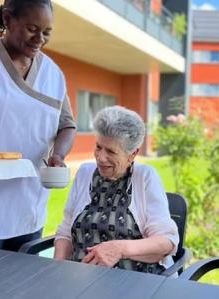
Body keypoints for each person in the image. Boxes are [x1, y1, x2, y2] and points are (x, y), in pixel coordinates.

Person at [0, 0, 76, 251]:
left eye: (47, 32)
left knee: (19, 287)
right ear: (8, 19)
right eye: (32, 28)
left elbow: (67, 126)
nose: (39, 38)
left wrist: (59, 155)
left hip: (28, 206)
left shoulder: (53, 74)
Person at [54, 106, 179, 275]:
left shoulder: (145, 177)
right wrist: (57, 270)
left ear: (132, 154)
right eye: (98, 147)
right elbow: (66, 232)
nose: (101, 157)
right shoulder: (84, 173)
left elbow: (167, 242)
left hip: (136, 281)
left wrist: (120, 248)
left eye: (111, 151)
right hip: (83, 280)